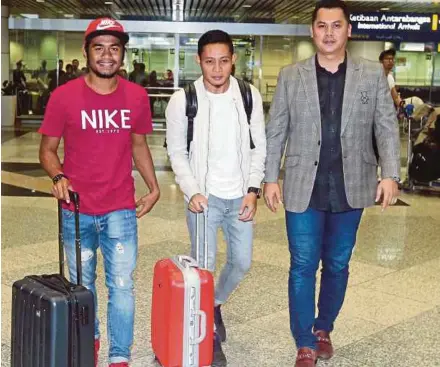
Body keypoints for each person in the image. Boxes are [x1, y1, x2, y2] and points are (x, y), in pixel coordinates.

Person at [263, 1, 400, 366]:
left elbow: (385, 127)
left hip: (351, 185)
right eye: (321, 25)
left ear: (348, 31)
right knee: (303, 263)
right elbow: (276, 130)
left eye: (336, 25)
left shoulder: (371, 75)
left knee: (337, 264)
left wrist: (390, 174)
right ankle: (304, 340)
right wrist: (269, 178)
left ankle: (324, 327)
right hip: (302, 187)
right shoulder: (292, 76)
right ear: (312, 31)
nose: (328, 32)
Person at [38, 17, 160, 367]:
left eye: (114, 48)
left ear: (123, 54)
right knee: (82, 285)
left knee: (122, 285)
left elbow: (139, 145)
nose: (107, 55)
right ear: (87, 52)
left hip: (120, 208)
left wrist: (153, 188)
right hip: (76, 210)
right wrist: (58, 175)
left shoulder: (136, 97)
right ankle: (88, 342)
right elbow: (47, 150)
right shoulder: (63, 97)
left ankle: (119, 356)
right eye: (99, 48)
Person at [165, 29, 267, 367]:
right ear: (198, 60)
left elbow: (259, 149)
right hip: (204, 199)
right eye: (210, 61)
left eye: (224, 61)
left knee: (241, 262)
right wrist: (191, 189)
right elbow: (176, 152)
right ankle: (206, 330)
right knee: (204, 269)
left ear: (233, 59)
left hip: (240, 198)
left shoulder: (249, 96)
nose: (218, 69)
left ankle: (216, 303)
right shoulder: (184, 99)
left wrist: (253, 190)